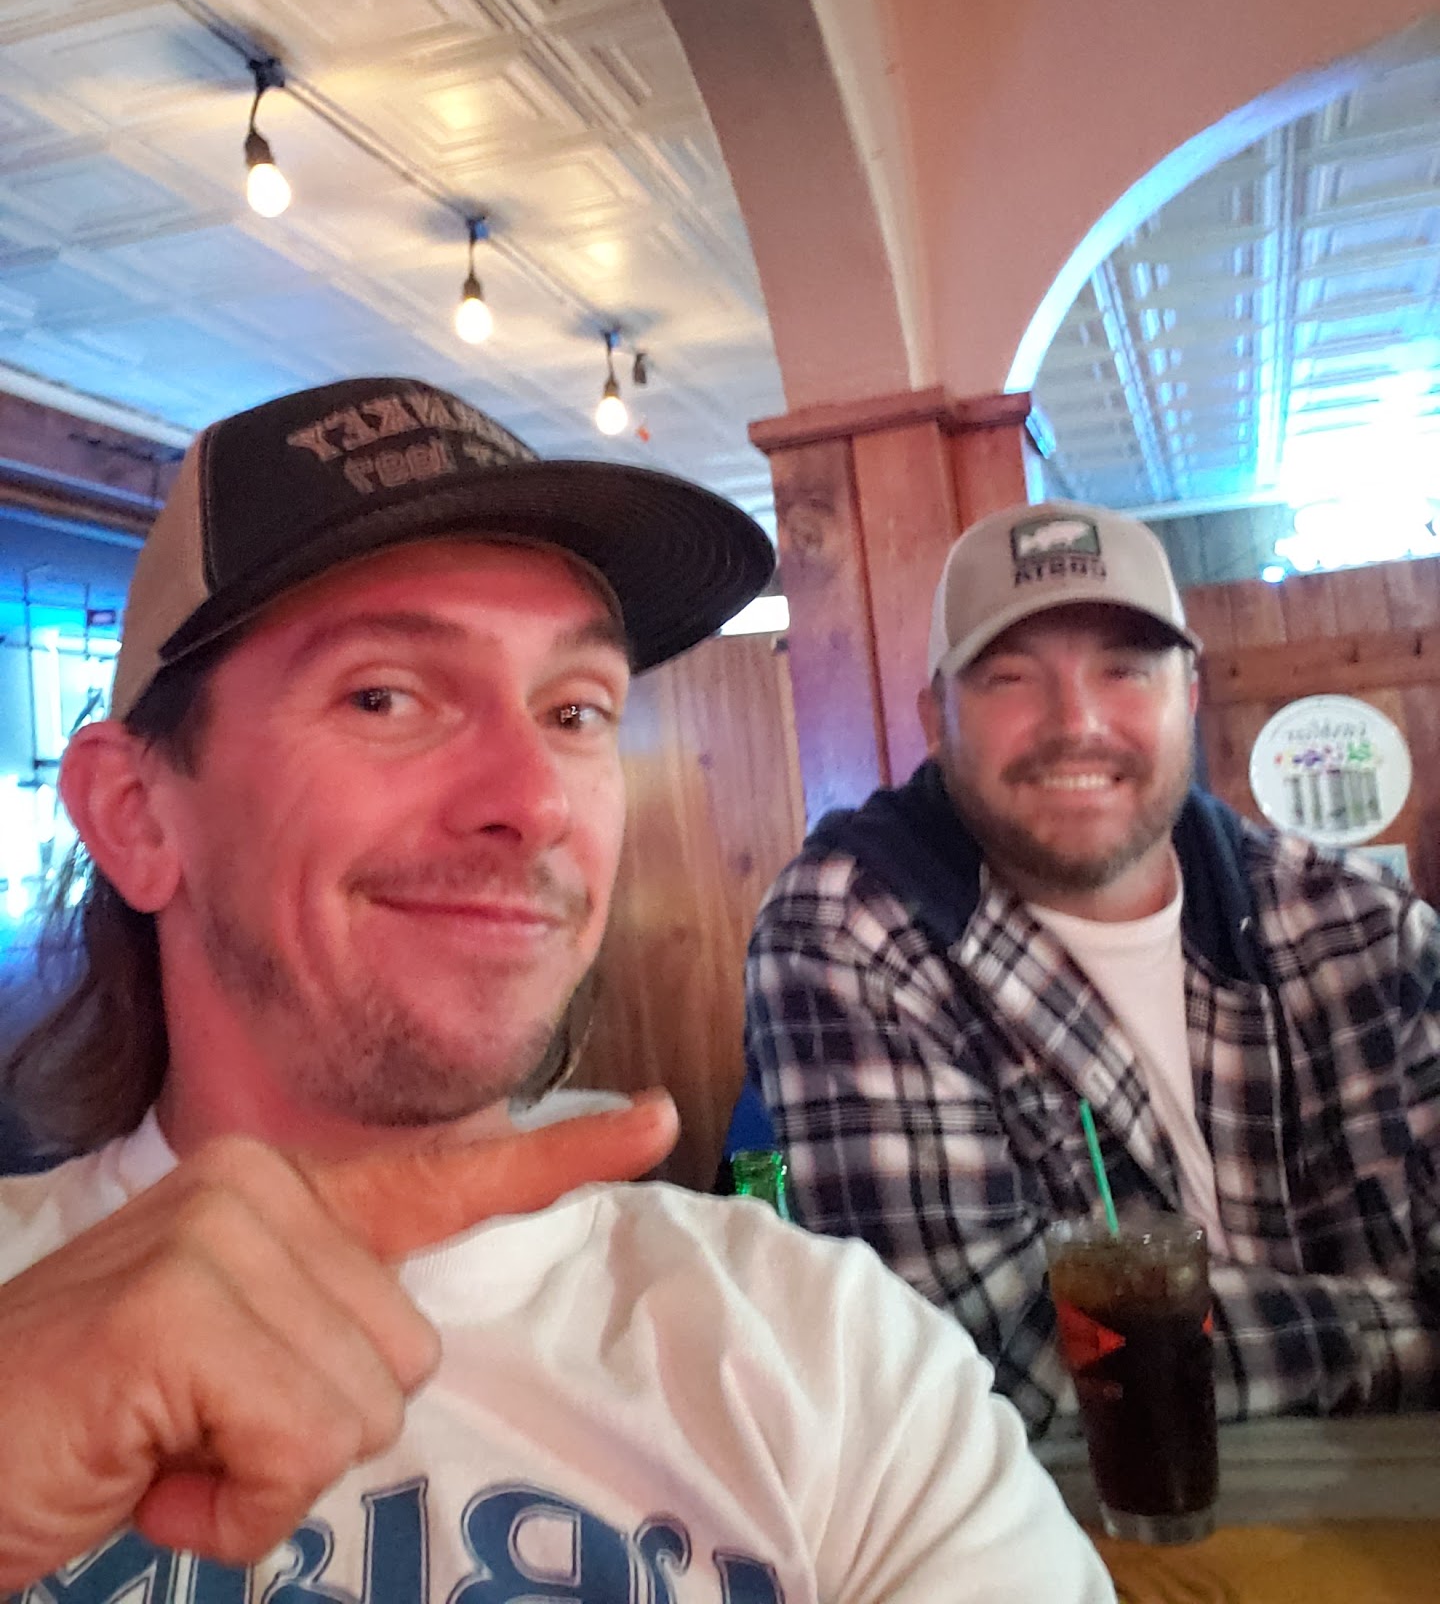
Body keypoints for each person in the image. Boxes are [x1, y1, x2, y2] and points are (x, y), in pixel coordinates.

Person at [0, 379, 1111, 1604]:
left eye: (576, 711)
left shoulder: (835, 1360)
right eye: (383, 695)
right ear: (135, 814)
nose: (533, 801)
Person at [746, 498, 1440, 1438]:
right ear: (937, 719)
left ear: (1188, 694)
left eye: (1124, 669)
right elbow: (989, 1356)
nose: (1075, 722)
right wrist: (1413, 1331)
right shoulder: (853, 926)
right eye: (1009, 677)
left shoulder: (1367, 930)